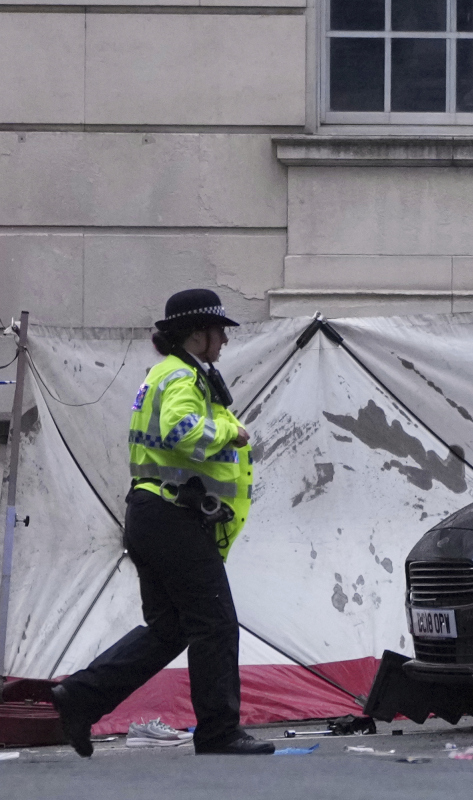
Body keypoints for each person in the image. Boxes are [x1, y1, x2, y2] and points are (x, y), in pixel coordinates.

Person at [50, 289, 272, 756]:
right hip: (173, 517)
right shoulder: (180, 377)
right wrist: (233, 430)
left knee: (169, 629)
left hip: (153, 515)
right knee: (215, 623)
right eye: (219, 332)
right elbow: (179, 432)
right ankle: (218, 732)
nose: (224, 342)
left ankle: (81, 697)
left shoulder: (168, 373)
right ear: (197, 333)